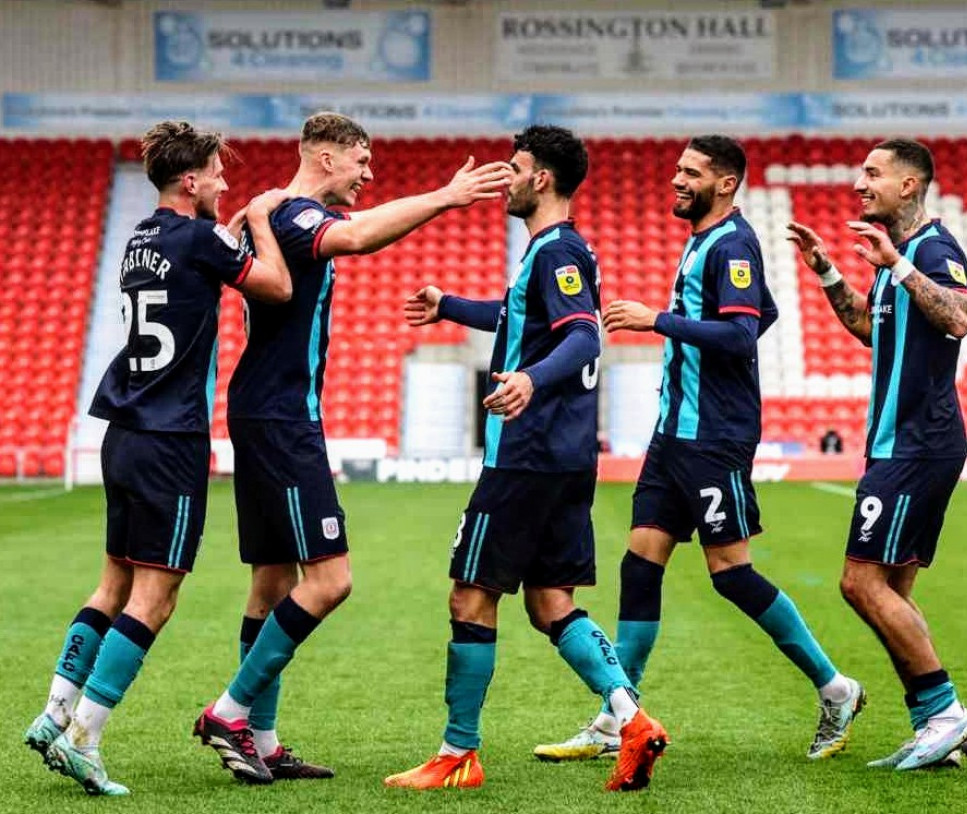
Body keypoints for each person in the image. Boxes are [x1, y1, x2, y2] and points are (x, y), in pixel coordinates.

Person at [192, 112, 513, 784]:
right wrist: (445, 197)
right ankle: (229, 711)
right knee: (331, 580)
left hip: (264, 411)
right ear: (328, 157)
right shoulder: (294, 217)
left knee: (272, 581)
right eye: (361, 161)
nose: (369, 174)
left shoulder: (273, 216)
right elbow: (361, 238)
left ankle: (264, 740)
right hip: (280, 419)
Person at [534, 135, 864, 765]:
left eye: (691, 173)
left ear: (727, 182)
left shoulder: (733, 242)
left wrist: (656, 319)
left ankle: (836, 688)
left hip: (714, 436)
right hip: (674, 434)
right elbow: (761, 311)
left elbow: (742, 335)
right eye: (678, 170)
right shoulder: (705, 240)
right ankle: (616, 716)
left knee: (732, 574)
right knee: (640, 563)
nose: (677, 180)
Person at [383, 125, 668, 793]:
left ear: (541, 178)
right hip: (567, 460)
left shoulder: (556, 252)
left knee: (470, 595)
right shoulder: (555, 254)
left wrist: (532, 380)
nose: (504, 178)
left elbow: (580, 335)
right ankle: (631, 720)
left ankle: (458, 753)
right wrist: (447, 305)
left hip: (527, 458)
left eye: (514, 168)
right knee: (550, 603)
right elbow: (526, 320)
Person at [22, 121, 292, 796]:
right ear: (191, 180)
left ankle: (55, 711)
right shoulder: (202, 239)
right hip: (171, 438)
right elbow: (278, 288)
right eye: (217, 174)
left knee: (112, 581)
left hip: (121, 429)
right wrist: (257, 220)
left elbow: (192, 265)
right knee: (157, 595)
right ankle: (85, 737)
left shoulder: (140, 238)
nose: (226, 184)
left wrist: (222, 232)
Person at [788, 138, 967, 770]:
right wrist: (828, 271)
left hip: (917, 445)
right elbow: (874, 328)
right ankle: (936, 728)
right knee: (892, 586)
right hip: (904, 444)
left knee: (858, 581)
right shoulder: (895, 258)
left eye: (873, 173)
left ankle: (945, 710)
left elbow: (959, 318)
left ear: (909, 185)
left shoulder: (933, 249)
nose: (858, 183)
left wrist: (898, 265)